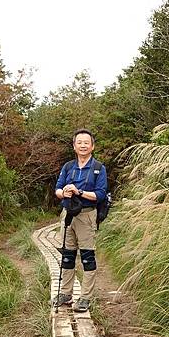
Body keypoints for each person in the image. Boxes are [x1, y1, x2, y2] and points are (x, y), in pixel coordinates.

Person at [53, 128, 108, 312]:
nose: (83, 145)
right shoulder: (68, 167)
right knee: (67, 256)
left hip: (87, 215)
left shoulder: (99, 169)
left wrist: (80, 192)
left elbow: (100, 194)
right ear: (74, 146)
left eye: (86, 142)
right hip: (68, 214)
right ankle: (65, 294)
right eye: (79, 142)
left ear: (92, 146)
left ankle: (85, 297)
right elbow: (57, 189)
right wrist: (64, 193)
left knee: (87, 257)